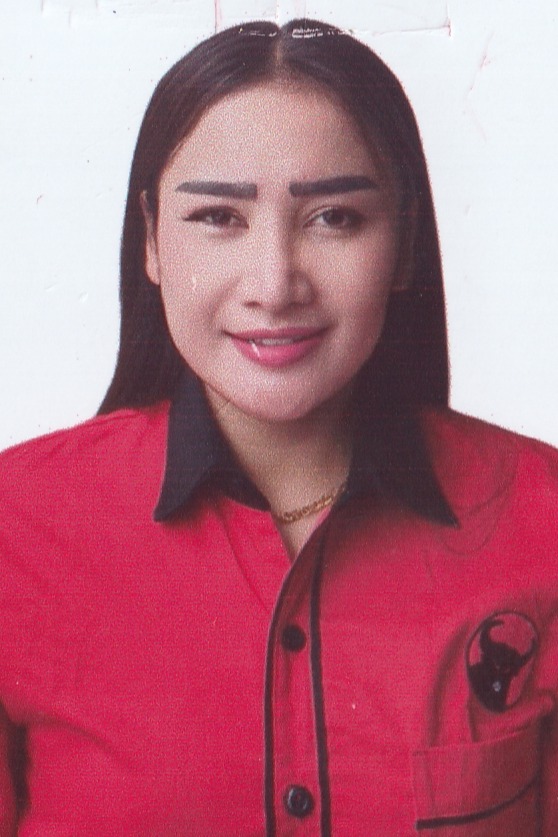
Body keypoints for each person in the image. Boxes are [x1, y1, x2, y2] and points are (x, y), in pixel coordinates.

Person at [0, 17, 557, 836]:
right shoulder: (16, 527)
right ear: (151, 240)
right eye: (217, 218)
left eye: (334, 218)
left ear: (405, 243)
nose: (274, 282)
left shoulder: (541, 515)